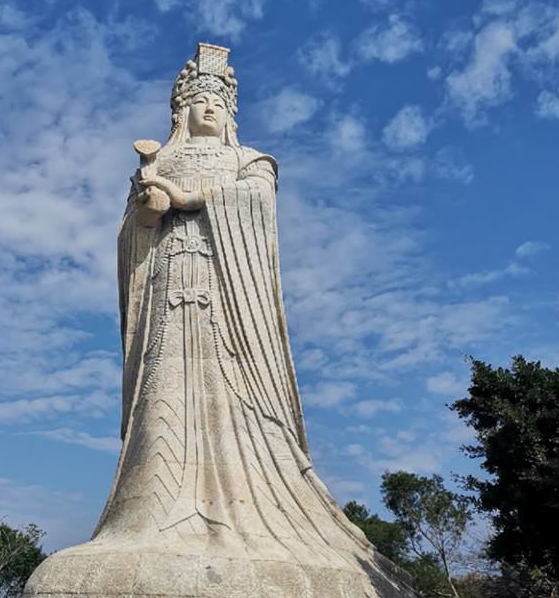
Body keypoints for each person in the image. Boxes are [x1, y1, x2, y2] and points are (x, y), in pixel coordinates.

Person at [91, 44, 366, 563]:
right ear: (181, 110)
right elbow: (133, 235)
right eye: (199, 98)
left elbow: (259, 206)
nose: (210, 106)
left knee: (236, 400)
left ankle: (249, 507)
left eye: (219, 98)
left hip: (230, 305)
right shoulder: (162, 159)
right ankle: (150, 514)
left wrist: (194, 199)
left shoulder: (249, 161)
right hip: (170, 295)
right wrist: (151, 204)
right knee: (162, 401)